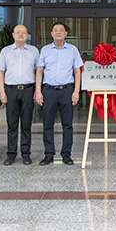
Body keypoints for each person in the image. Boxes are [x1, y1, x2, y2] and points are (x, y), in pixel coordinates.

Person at [35, 22, 83, 166]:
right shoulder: (45, 50)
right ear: (51, 33)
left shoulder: (72, 50)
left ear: (66, 33)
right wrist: (38, 91)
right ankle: (48, 154)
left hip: (67, 90)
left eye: (61, 30)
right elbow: (39, 71)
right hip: (48, 91)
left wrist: (76, 91)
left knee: (67, 124)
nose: (58, 32)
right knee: (47, 124)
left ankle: (66, 154)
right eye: (55, 30)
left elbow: (77, 71)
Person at [0, 24, 39, 166]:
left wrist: (37, 90)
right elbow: (0, 72)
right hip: (11, 90)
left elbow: (38, 71)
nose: (21, 34)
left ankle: (26, 154)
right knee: (12, 124)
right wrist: (2, 91)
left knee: (26, 124)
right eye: (18, 32)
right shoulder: (5, 51)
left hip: (28, 89)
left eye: (23, 32)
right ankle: (11, 154)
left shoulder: (33, 51)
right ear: (13, 35)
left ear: (27, 35)